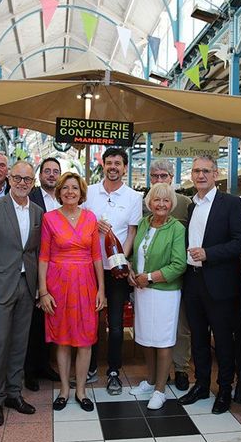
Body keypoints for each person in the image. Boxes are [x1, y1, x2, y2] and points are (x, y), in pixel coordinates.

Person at [178, 155, 241, 414]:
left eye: (206, 171)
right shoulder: (191, 205)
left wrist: (209, 253)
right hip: (193, 281)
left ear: (216, 173)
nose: (201, 175)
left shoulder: (230, 203)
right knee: (197, 338)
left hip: (219, 283)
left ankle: (224, 389)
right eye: (196, 171)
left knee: (222, 339)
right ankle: (202, 384)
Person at [0, 161, 43, 427]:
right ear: (10, 180)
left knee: (19, 343)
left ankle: (14, 394)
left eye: (28, 179)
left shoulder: (37, 212)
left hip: (27, 286)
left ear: (33, 182)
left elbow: (35, 252)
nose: (23, 183)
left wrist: (38, 287)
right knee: (0, 342)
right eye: (18, 178)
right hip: (0, 286)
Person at [39, 172, 105, 412]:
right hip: (58, 284)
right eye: (65, 188)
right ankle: (65, 390)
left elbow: (97, 256)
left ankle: (81, 390)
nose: (69, 192)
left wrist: (101, 290)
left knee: (85, 339)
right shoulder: (49, 218)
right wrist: (43, 291)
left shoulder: (90, 218)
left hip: (86, 283)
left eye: (74, 188)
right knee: (63, 340)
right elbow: (43, 257)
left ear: (81, 193)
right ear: (59, 192)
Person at [81, 147, 142, 395]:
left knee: (115, 324)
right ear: (103, 165)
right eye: (109, 162)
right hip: (90, 268)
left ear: (125, 167)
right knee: (92, 321)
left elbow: (131, 233)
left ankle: (114, 371)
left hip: (116, 270)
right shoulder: (89, 193)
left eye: (118, 163)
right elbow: (81, 225)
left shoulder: (133, 197)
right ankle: (91, 366)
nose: (113, 167)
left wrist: (121, 260)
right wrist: (94, 227)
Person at [128, 183, 187, 409]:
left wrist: (150, 277)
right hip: (142, 291)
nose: (161, 204)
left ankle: (160, 390)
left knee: (162, 341)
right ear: (149, 203)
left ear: (171, 204)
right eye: (157, 200)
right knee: (145, 337)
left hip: (165, 293)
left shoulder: (177, 229)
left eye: (166, 200)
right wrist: (132, 272)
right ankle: (151, 380)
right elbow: (136, 254)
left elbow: (179, 265)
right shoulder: (144, 223)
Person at [144, 160, 192, 391]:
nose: (160, 180)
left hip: (175, 279)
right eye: (155, 176)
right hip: (147, 283)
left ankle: (181, 368)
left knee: (180, 325)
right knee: (152, 328)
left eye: (164, 175)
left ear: (172, 177)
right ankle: (155, 377)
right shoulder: (144, 207)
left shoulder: (185, 203)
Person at [25, 157, 62, 391]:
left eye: (55, 171)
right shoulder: (30, 198)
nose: (51, 175)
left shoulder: (64, 198)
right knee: (31, 322)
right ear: (39, 176)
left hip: (58, 270)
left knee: (50, 318)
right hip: (35, 266)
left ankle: (44, 365)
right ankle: (29, 370)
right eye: (47, 171)